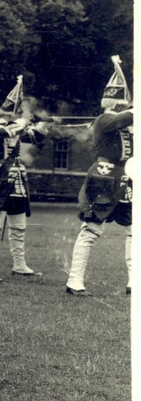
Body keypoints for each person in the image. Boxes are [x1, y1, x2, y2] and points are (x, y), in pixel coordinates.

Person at [65, 56, 133, 296]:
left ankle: (134, 282)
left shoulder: (123, 123)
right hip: (104, 178)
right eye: (124, 102)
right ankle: (74, 280)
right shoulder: (105, 119)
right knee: (92, 229)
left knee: (134, 230)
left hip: (125, 180)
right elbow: (126, 118)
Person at [0, 76, 48, 277]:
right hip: (2, 178)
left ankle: (19, 265)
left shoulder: (14, 128)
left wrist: (40, 125)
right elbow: (7, 132)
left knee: (19, 227)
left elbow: (38, 138)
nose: (15, 117)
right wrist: (23, 123)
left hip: (18, 180)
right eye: (14, 114)